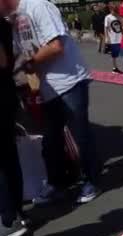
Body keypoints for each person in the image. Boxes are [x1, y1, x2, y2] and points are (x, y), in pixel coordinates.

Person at [6, 0, 100, 204]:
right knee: (52, 139)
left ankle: (90, 180)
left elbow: (56, 46)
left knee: (79, 133)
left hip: (70, 80)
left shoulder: (38, 6)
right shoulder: (14, 20)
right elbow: (18, 53)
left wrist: (28, 65)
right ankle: (57, 183)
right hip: (49, 86)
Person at [0, 15, 27, 236]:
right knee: (8, 157)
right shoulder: (4, 23)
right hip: (6, 93)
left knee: (4, 160)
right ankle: (14, 214)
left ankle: (7, 219)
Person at [105, 2, 123, 74]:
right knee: (114, 55)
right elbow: (106, 28)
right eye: (112, 9)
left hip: (121, 38)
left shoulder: (119, 16)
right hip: (113, 39)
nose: (114, 11)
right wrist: (107, 38)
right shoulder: (108, 17)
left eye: (115, 9)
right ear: (110, 9)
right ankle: (115, 68)